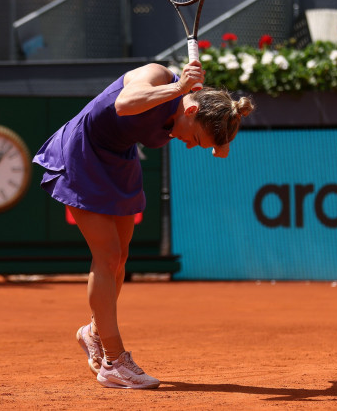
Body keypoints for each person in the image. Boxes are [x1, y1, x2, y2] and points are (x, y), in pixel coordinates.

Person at [33, 60, 254, 389]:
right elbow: (124, 104)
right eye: (194, 137)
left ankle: (94, 333)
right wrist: (179, 88)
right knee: (106, 256)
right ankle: (113, 361)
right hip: (84, 153)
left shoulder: (190, 110)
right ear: (190, 111)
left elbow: (205, 124)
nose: (191, 145)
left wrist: (219, 141)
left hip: (119, 160)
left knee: (120, 257)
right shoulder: (157, 75)